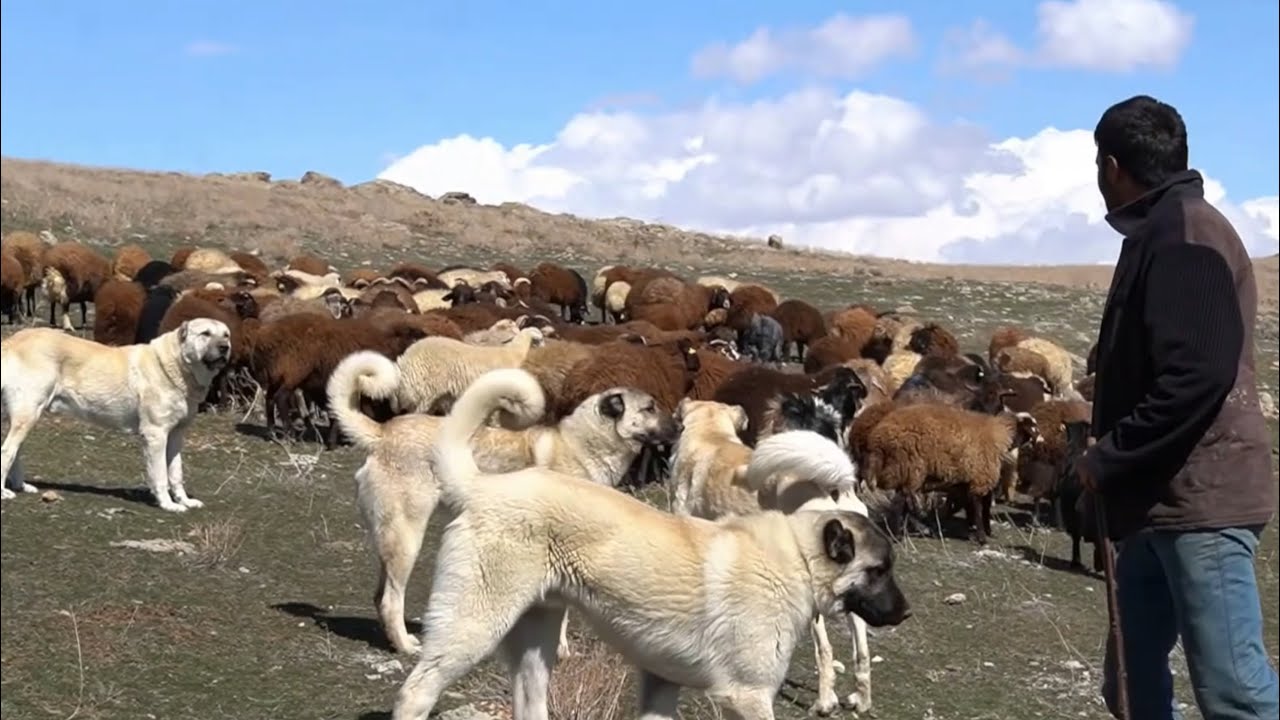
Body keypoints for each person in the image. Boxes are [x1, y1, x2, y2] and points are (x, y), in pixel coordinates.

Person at [1078, 94, 1279, 720]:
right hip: (1156, 502)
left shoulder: (1184, 233)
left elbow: (1198, 374)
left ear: (1112, 166)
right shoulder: (1164, 231)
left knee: (1235, 693)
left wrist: (1108, 456)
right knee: (1132, 687)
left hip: (1201, 501)